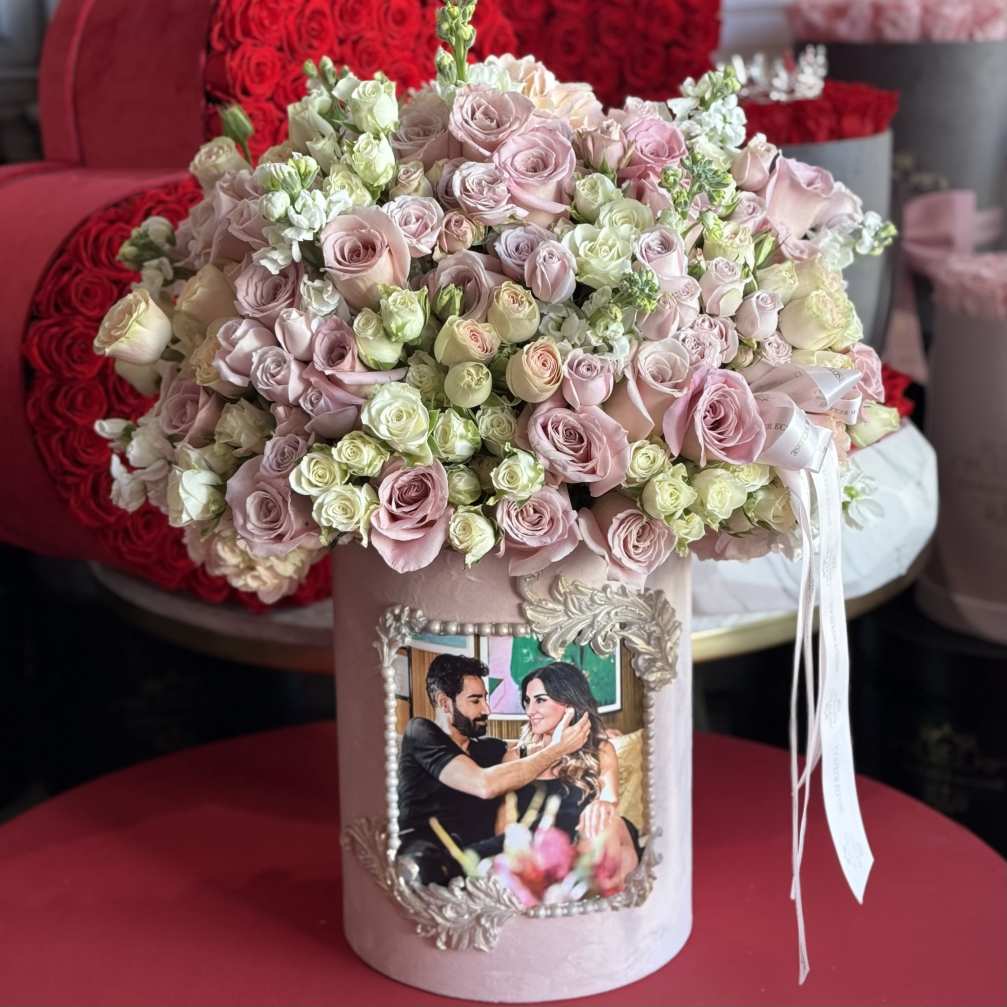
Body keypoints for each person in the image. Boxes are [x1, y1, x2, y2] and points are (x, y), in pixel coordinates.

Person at [396, 654, 591, 885]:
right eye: (475, 700)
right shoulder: (420, 732)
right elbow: (483, 784)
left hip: (481, 854)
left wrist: (595, 740)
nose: (487, 709)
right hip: (426, 852)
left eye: (486, 699)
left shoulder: (488, 749)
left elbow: (528, 747)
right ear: (444, 702)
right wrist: (557, 750)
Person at [470, 661, 642, 890]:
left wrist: (600, 804)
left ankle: (604, 908)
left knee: (608, 823)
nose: (530, 711)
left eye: (540, 700)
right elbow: (504, 825)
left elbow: (609, 801)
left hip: (590, 839)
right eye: (528, 701)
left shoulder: (600, 749)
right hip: (542, 849)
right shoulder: (516, 757)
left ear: (570, 703)